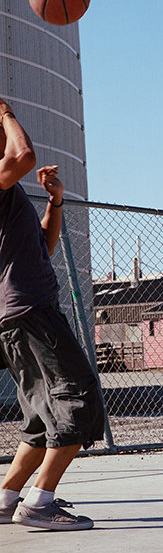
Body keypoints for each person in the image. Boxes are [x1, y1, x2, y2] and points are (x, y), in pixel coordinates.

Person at [0, 97, 104, 530]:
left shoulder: (8, 194)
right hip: (30, 313)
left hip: (23, 314)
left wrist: (54, 204)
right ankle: (40, 504)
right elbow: (23, 155)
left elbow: (43, 247)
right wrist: (4, 112)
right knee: (81, 401)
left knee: (43, 418)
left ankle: (6, 500)